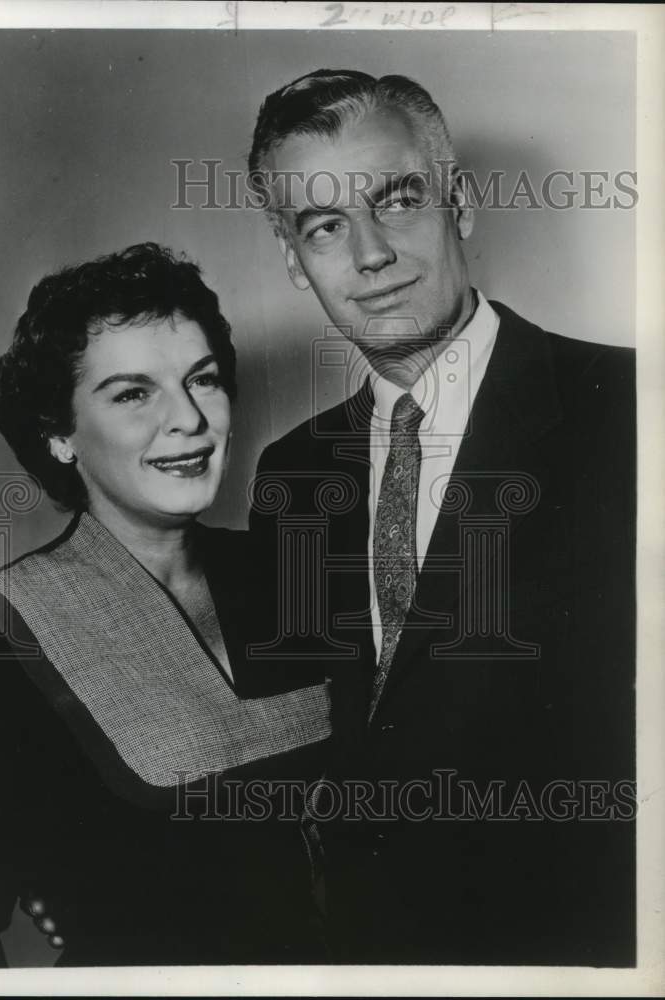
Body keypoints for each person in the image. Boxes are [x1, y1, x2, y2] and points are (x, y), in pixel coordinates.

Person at [247, 70, 636, 965]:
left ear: (458, 201)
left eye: (396, 200)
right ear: (293, 257)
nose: (370, 254)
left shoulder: (628, 409)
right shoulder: (293, 473)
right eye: (325, 226)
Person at [0, 242, 332, 967]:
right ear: (58, 434)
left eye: (202, 380)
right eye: (132, 394)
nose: (188, 420)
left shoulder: (299, 571)